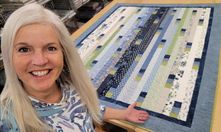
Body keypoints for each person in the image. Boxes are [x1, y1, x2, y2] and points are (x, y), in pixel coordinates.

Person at [0, 3, 149, 131]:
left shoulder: (68, 84)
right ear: (8, 57)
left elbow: (85, 109)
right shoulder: (8, 121)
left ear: (63, 53)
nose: (39, 61)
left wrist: (123, 114)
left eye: (50, 48)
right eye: (24, 49)